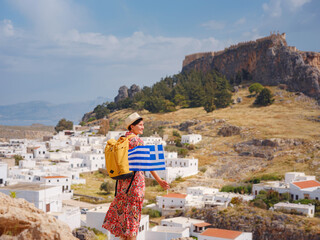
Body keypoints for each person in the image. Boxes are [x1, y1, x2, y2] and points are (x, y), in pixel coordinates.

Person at [102, 112, 170, 240]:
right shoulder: (137, 141)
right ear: (131, 127)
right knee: (133, 214)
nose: (142, 127)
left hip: (123, 183)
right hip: (135, 183)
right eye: (140, 125)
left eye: (143, 125)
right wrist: (159, 180)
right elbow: (148, 163)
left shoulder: (122, 139)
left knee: (125, 214)